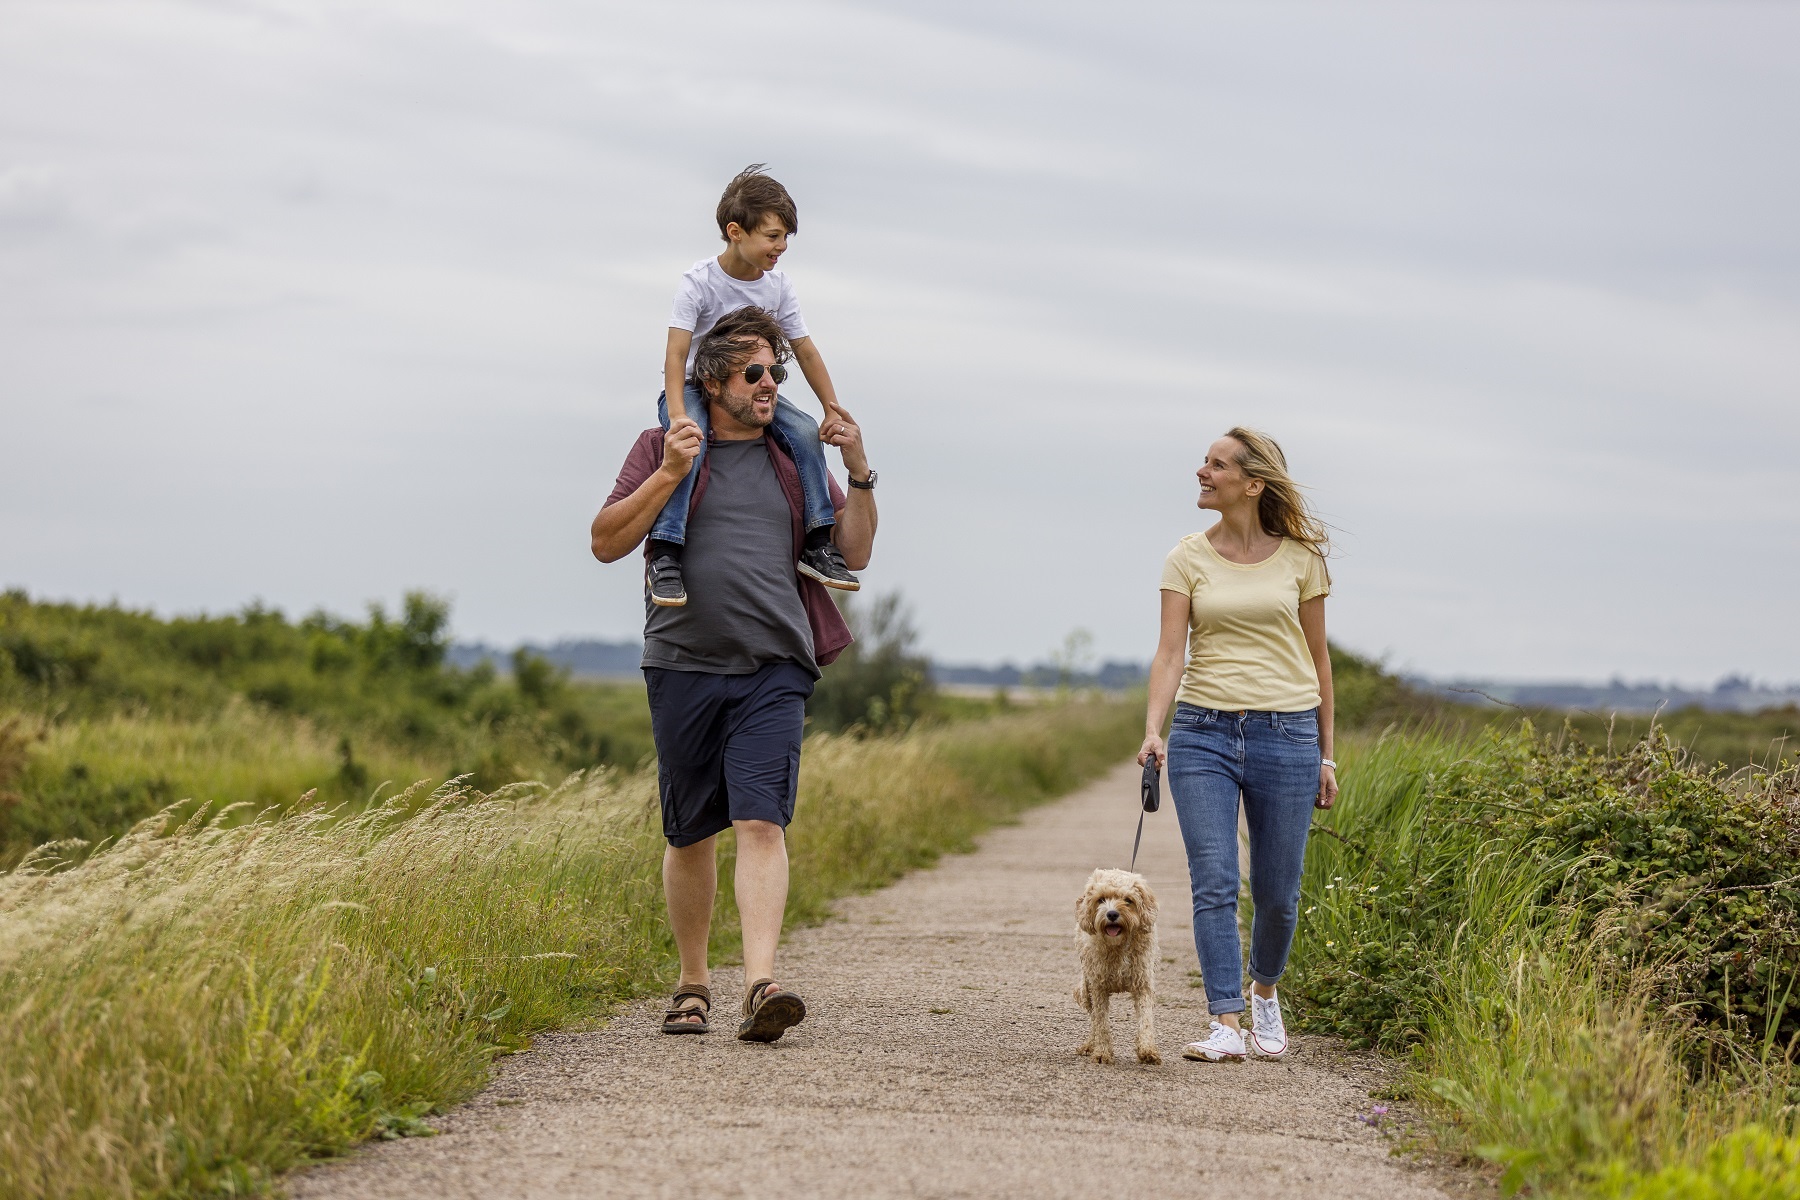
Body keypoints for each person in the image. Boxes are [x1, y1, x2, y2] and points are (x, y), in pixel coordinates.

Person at [590, 305, 878, 1043]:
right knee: (690, 833)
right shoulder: (662, 444)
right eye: (754, 372)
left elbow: (857, 552)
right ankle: (692, 985)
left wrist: (859, 469)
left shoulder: (793, 457)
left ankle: (759, 984)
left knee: (759, 821)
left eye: (776, 372)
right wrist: (669, 474)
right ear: (712, 380)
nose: (771, 384)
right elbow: (605, 541)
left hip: (777, 664)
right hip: (682, 662)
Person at [1137, 427, 1338, 1063]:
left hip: (1289, 734)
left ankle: (1264, 993)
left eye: (1217, 464)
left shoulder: (1302, 559)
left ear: (1253, 484)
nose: (1202, 471)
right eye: (1205, 461)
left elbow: (1319, 659)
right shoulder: (1186, 557)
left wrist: (1326, 753)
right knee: (1215, 880)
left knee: (1278, 894)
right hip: (1204, 733)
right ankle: (1225, 1020)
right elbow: (1171, 652)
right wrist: (1153, 729)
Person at [645, 163, 861, 607]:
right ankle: (666, 552)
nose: (781, 247)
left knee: (802, 431)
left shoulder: (778, 288)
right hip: (694, 388)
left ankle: (818, 542)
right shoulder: (698, 283)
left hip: (749, 387)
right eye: (773, 235)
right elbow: (675, 354)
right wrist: (680, 416)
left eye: (786, 237)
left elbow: (805, 350)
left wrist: (831, 405)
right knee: (693, 443)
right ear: (735, 231)